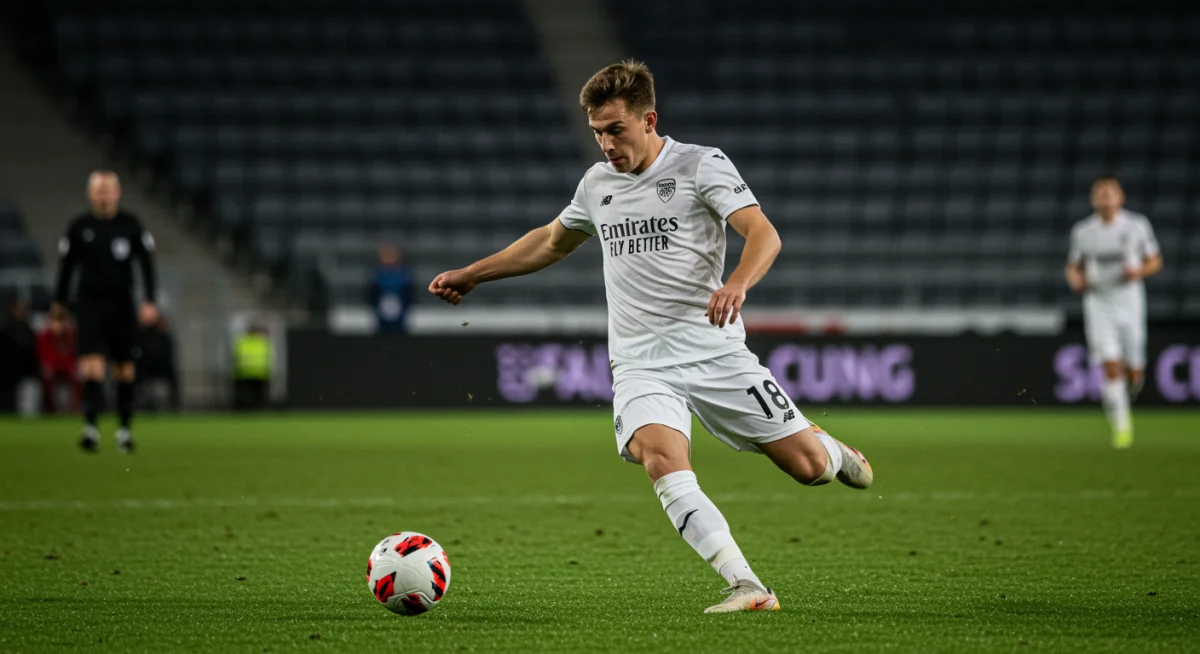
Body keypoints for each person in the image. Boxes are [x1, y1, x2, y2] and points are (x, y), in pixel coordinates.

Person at [429, 60, 873, 613]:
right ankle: (747, 583)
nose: (606, 144)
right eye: (597, 132)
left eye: (615, 129)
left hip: (713, 351)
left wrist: (737, 283)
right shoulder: (597, 183)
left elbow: (763, 232)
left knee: (807, 469)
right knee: (660, 457)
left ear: (648, 119)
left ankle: (829, 447)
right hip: (641, 363)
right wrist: (472, 274)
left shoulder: (700, 164)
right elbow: (550, 242)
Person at [53, 170, 158, 453]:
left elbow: (146, 264)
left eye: (108, 189)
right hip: (89, 303)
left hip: (122, 304)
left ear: (117, 193)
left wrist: (149, 299)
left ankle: (124, 431)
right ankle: (91, 429)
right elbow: (66, 269)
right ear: (90, 194)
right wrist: (59, 304)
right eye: (99, 189)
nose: (103, 194)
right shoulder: (79, 227)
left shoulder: (131, 225)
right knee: (91, 365)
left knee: (124, 369)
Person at [1065, 174, 1162, 448]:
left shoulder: (1136, 226)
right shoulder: (1083, 231)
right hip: (1098, 303)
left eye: (1110, 192)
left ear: (1120, 197)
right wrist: (1075, 279)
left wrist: (1139, 271)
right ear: (1093, 199)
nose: (1105, 197)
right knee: (1110, 364)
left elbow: (1155, 260)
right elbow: (1074, 265)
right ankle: (1122, 427)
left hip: (1129, 303)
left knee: (1134, 371)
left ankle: (1128, 390)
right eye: (1100, 193)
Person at [0, 297, 40, 413]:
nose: (21, 313)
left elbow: (33, 354)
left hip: (26, 374)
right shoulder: (5, 330)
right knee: (8, 405)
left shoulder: (29, 331)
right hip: (7, 375)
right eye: (18, 309)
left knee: (27, 407)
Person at [37, 305, 79, 413]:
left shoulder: (70, 335)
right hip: (53, 365)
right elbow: (44, 354)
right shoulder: (45, 335)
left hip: (67, 365)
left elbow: (73, 352)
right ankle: (50, 410)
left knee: (77, 379)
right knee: (47, 380)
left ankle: (74, 409)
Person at [135, 313, 180, 412]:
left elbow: (170, 354)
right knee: (137, 377)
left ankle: (174, 404)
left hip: (163, 368)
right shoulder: (146, 335)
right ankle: (140, 402)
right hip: (147, 367)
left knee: (173, 377)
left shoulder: (166, 337)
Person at [368, 243, 416, 334]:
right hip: (381, 319)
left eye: (391, 255)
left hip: (400, 320)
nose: (389, 258)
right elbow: (372, 295)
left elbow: (409, 295)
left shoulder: (405, 273)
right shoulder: (376, 274)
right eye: (386, 255)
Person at [232, 322, 272, 410]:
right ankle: (245, 409)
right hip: (246, 373)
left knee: (257, 395)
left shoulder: (244, 342)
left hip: (257, 373)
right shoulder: (246, 342)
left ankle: (257, 409)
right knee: (246, 395)